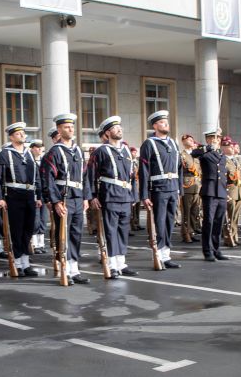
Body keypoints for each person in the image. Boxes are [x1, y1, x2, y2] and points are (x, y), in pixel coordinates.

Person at [40, 113, 89, 284]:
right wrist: (55, 201)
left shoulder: (78, 151)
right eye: (67, 127)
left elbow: (85, 176)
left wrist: (86, 197)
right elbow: (48, 179)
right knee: (63, 235)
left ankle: (74, 269)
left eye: (72, 126)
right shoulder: (54, 152)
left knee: (76, 233)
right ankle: (64, 269)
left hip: (78, 197)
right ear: (59, 130)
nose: (71, 129)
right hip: (63, 199)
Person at [87, 116, 137, 276]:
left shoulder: (126, 150)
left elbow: (132, 176)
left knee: (123, 230)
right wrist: (92, 196)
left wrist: (134, 195)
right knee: (110, 231)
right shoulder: (101, 151)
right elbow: (91, 175)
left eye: (120, 127)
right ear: (108, 133)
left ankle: (121, 263)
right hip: (109, 195)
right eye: (115, 128)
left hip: (125, 196)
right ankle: (112, 264)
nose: (119, 129)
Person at [0, 122, 40, 276]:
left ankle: (26, 263)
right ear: (11, 137)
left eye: (23, 133)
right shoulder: (5, 154)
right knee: (17, 230)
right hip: (14, 195)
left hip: (29, 195)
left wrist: (39, 196)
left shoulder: (29, 153)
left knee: (28, 230)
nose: (22, 135)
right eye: (18, 133)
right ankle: (17, 263)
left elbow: (37, 177)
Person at [139, 110, 182, 269]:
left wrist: (179, 190)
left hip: (173, 188)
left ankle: (166, 255)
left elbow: (180, 168)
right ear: (155, 126)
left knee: (170, 222)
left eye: (167, 122)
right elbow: (143, 171)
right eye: (162, 122)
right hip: (158, 189)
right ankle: (157, 254)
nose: (166, 125)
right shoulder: (149, 144)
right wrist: (144, 195)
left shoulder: (173, 143)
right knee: (159, 223)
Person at [191, 129, 229, 262]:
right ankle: (207, 251)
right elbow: (194, 153)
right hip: (210, 192)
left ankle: (217, 250)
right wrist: (208, 147)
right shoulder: (204, 152)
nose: (215, 140)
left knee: (219, 222)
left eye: (217, 138)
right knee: (209, 221)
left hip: (221, 192)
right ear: (207, 139)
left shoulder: (221, 154)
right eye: (212, 138)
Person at [179, 134, 202, 242]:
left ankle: (192, 232)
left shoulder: (196, 155)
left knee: (194, 211)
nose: (192, 141)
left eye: (192, 140)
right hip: (187, 185)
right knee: (186, 211)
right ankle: (186, 233)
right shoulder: (182, 155)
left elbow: (200, 170)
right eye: (189, 140)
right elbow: (179, 171)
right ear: (184, 142)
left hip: (196, 185)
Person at [222, 137, 241, 248]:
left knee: (236, 217)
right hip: (229, 190)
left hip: (238, 190)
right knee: (229, 216)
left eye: (231, 145)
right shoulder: (222, 160)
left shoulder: (236, 160)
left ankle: (235, 237)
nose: (231, 147)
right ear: (223, 148)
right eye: (228, 146)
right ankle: (228, 237)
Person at [30, 139, 48, 254]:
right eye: (36, 147)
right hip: (34, 194)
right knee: (35, 220)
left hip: (43, 194)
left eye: (41, 147)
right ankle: (34, 244)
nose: (39, 149)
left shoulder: (44, 161)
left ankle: (41, 244)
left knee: (43, 219)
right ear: (32, 148)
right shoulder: (29, 161)